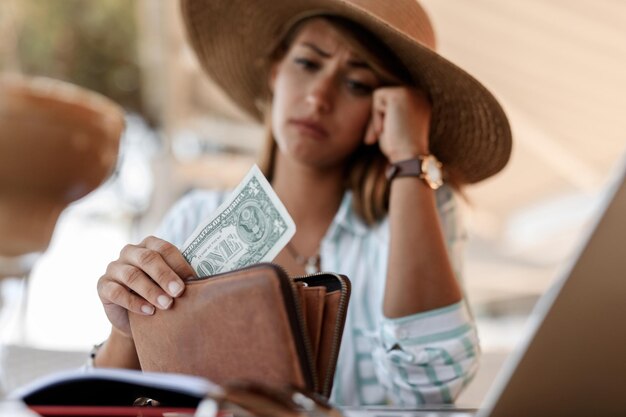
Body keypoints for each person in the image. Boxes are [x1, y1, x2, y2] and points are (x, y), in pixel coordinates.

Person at [93, 0, 512, 406]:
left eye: (356, 84)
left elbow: (432, 386)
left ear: (385, 111)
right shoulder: (194, 218)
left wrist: (409, 160)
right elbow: (111, 404)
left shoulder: (419, 211)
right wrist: (129, 328)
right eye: (308, 63)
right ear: (275, 72)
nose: (318, 98)